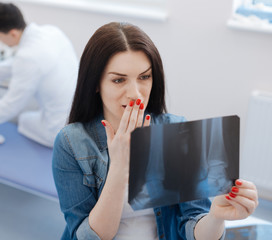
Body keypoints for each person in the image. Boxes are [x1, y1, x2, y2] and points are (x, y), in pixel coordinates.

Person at [52, 22, 259, 240]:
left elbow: (192, 225)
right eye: (119, 80)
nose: (136, 93)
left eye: (144, 77)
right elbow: (85, 237)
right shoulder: (72, 143)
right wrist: (120, 166)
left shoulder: (176, 131)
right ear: (95, 83)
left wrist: (216, 216)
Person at [0, 2, 78, 147]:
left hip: (59, 131)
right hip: (80, 118)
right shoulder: (52, 32)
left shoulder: (27, 57)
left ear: (13, 33)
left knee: (23, 119)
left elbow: (11, 105)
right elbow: (21, 64)